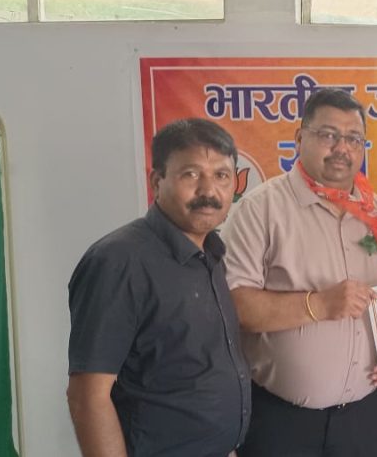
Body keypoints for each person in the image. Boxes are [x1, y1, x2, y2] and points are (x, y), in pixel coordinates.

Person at [222, 88, 377, 457]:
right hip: (281, 422)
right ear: (299, 138)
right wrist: (319, 304)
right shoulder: (260, 209)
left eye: (354, 138)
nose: (342, 148)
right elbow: (235, 306)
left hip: (364, 418)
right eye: (328, 135)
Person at [67, 118, 250, 456]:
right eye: (191, 174)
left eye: (222, 176)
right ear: (157, 181)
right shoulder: (120, 261)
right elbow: (87, 396)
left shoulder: (211, 254)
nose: (209, 191)